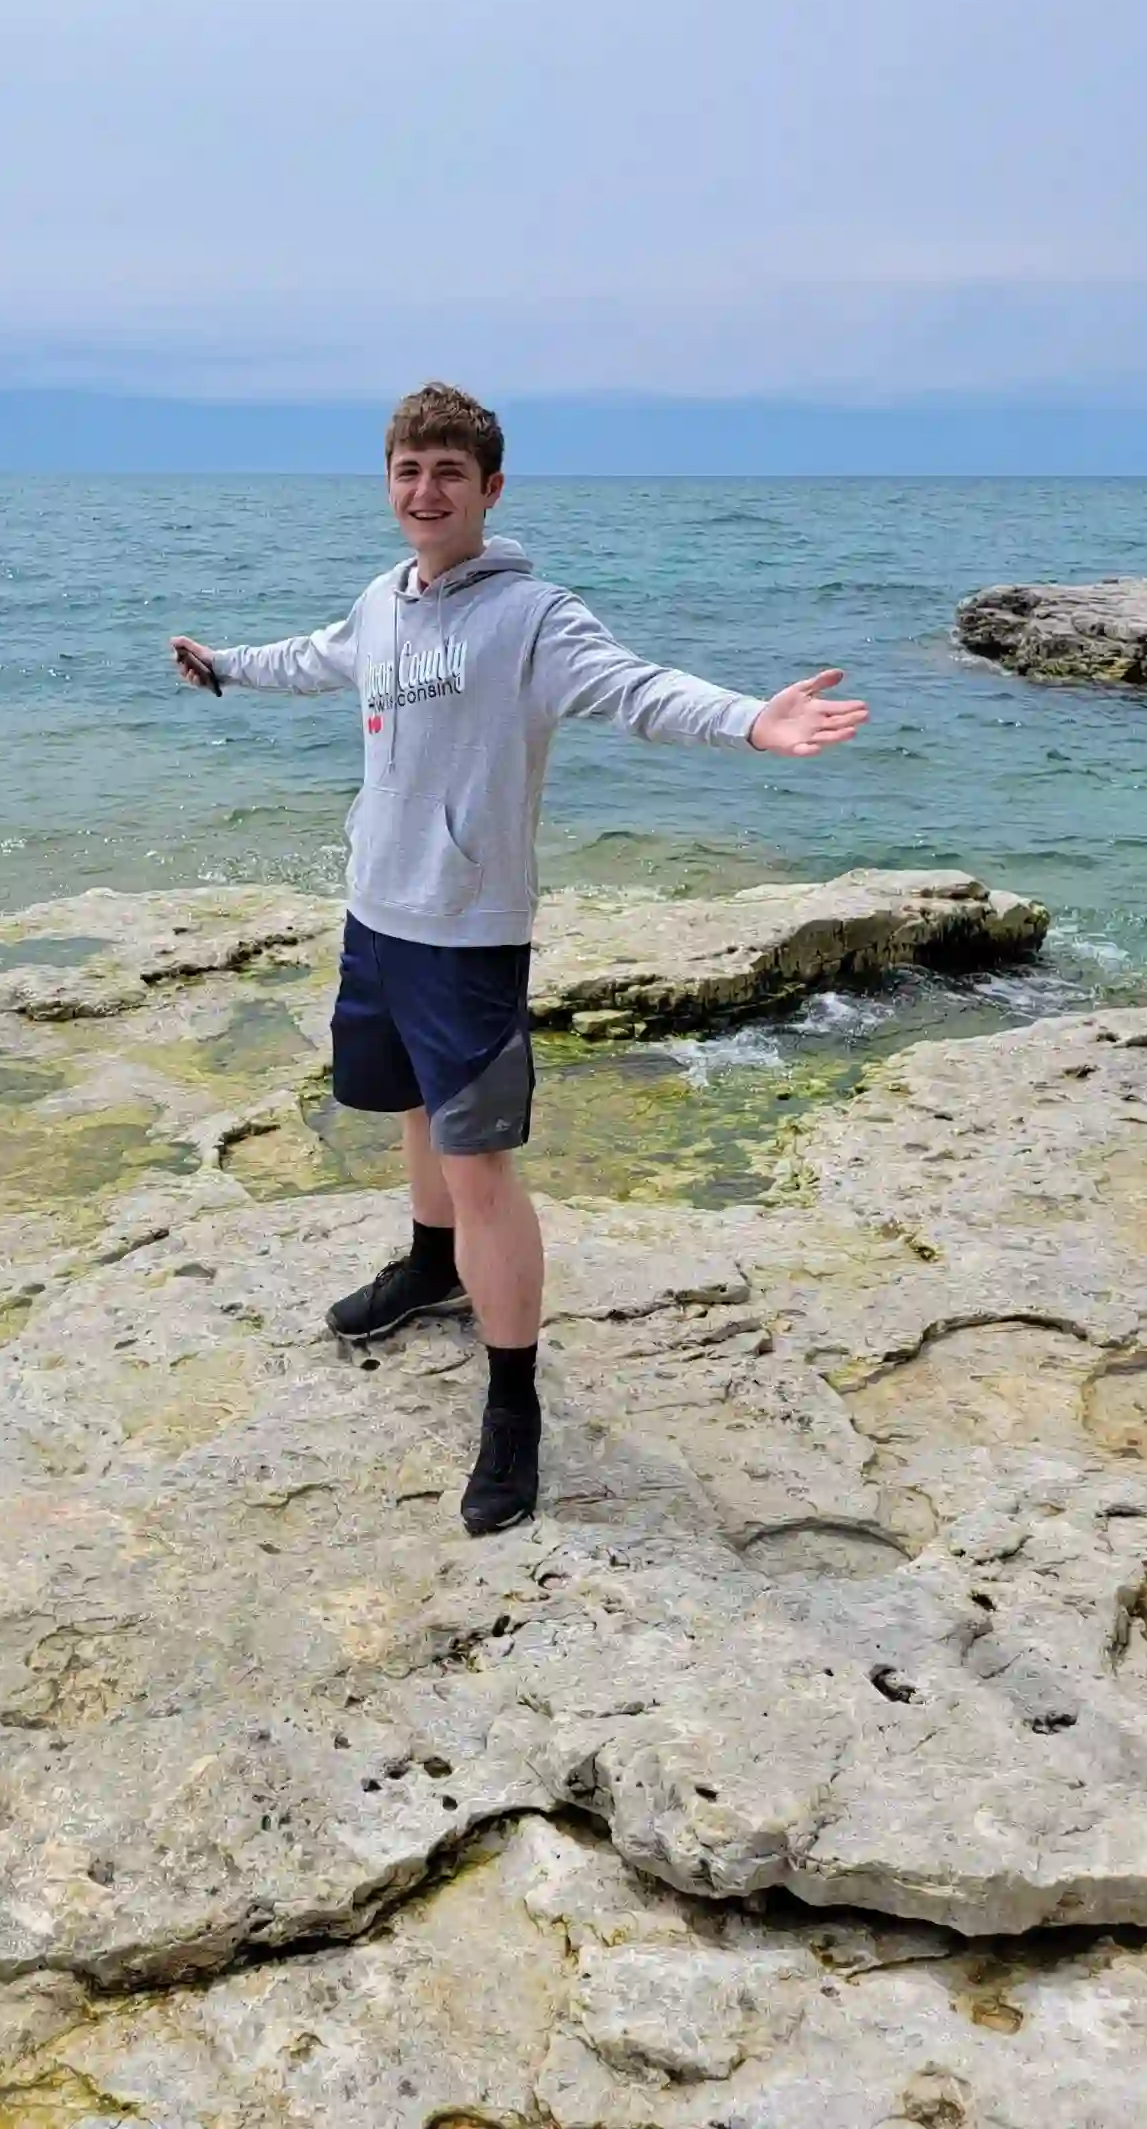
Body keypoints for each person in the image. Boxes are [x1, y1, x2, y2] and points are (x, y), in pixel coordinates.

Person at [168, 382, 867, 1535]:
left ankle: (513, 1398)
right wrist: (226, 667)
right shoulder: (382, 603)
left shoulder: (532, 618)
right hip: (377, 916)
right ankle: (427, 1263)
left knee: (482, 1158)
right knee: (411, 1111)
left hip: (469, 938)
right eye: (406, 470)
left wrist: (751, 719)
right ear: (386, 483)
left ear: (490, 489)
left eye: (448, 472)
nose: (424, 490)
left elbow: (636, 688)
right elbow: (320, 657)